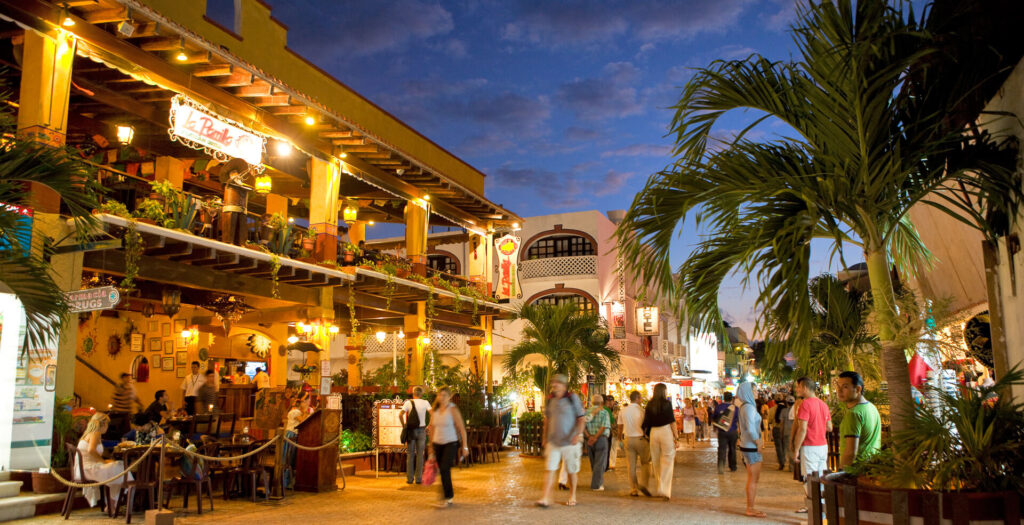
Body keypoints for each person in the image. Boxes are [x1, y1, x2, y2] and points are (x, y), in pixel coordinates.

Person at [537, 374, 585, 508]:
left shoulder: (572, 398)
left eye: (557, 383)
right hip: (554, 441)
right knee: (550, 469)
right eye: (553, 383)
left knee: (571, 470)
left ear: (564, 385)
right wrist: (544, 437)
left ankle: (572, 495)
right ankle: (546, 497)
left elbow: (581, 419)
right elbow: (547, 419)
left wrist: (578, 434)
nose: (554, 385)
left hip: (570, 441)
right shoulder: (550, 399)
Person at [792, 377, 832, 514]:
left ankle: (815, 509)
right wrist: (818, 426)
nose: (796, 389)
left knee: (810, 478)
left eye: (798, 387)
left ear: (804, 387)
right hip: (822, 446)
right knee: (820, 477)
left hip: (810, 446)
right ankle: (820, 507)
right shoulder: (823, 404)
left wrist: (796, 449)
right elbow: (830, 427)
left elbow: (802, 429)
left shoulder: (805, 404)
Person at [75, 413, 131, 508]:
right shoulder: (95, 433)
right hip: (88, 470)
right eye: (107, 424)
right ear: (104, 424)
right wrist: (103, 461)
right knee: (120, 467)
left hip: (82, 470)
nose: (108, 427)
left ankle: (112, 505)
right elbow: (91, 450)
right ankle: (114, 503)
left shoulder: (88, 434)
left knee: (117, 469)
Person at [428, 386, 469, 508]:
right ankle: (447, 496)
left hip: (450, 443)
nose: (442, 397)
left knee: (445, 468)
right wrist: (430, 446)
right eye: (440, 395)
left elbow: (462, 428)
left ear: (449, 397)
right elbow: (432, 429)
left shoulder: (452, 410)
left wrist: (465, 446)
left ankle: (447, 497)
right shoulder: (434, 411)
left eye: (445, 395)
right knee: (442, 470)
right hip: (437, 444)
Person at [836, 371, 881, 468]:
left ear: (858, 389)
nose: (839, 391)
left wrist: (841, 473)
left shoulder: (854, 414)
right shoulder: (872, 407)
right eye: (838, 386)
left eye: (845, 387)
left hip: (855, 471)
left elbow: (850, 452)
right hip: (871, 468)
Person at [642, 383, 677, 501]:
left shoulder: (650, 404)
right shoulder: (667, 404)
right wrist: (676, 437)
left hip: (654, 433)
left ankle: (659, 487)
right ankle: (665, 490)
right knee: (667, 459)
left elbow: (645, 422)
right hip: (665, 431)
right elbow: (672, 421)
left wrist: (645, 434)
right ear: (664, 392)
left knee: (656, 460)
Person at [736, 382, 766, 518]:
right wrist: (758, 441)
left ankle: (751, 507)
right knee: (753, 479)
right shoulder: (748, 407)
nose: (756, 392)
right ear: (748, 392)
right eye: (754, 390)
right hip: (751, 447)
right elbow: (750, 427)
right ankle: (750, 508)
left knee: (753, 478)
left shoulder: (746, 406)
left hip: (748, 446)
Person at [620, 391, 651, 497]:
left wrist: (620, 438)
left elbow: (620, 425)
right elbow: (646, 425)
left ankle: (633, 489)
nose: (641, 400)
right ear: (637, 398)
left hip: (628, 438)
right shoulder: (642, 411)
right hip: (640, 438)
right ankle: (643, 484)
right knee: (645, 463)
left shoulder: (623, 411)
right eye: (640, 398)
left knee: (631, 466)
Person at [401, 386, 431, 484]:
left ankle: (409, 479)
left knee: (410, 454)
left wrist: (404, 426)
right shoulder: (425, 402)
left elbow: (400, 415)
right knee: (420, 455)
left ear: (413, 393)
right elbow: (433, 414)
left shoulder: (408, 403)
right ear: (421, 394)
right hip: (422, 430)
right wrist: (429, 426)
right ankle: (418, 479)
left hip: (411, 431)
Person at [583, 393, 610, 491]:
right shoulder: (604, 412)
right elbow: (603, 426)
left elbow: (583, 426)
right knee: (600, 463)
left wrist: (589, 436)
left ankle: (599, 482)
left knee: (593, 462)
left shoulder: (587, 412)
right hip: (601, 439)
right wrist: (595, 437)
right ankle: (596, 485)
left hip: (589, 440)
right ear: (602, 402)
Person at [109, 373, 143, 437]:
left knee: (125, 429)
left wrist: (140, 404)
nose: (128, 379)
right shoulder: (119, 386)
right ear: (122, 378)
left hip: (126, 412)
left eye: (128, 378)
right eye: (126, 378)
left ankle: (125, 440)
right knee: (120, 429)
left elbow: (134, 397)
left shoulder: (129, 387)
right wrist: (113, 409)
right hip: (119, 412)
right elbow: (114, 398)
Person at [712, 391, 739, 474]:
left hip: (722, 431)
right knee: (732, 449)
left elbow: (714, 418)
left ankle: (721, 467)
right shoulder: (736, 408)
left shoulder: (718, 407)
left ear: (723, 398)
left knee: (722, 449)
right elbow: (738, 420)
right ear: (731, 399)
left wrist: (715, 428)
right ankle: (733, 466)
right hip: (733, 431)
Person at [772, 395, 790, 470]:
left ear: (775, 401)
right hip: (786, 429)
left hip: (776, 428)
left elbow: (769, 419)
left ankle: (781, 462)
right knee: (785, 446)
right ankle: (786, 461)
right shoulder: (787, 409)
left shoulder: (772, 409)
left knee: (778, 447)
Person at [604, 396, 620, 470]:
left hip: (614, 431)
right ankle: (608, 463)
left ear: (613, 401)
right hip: (606, 431)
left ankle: (612, 464)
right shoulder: (605, 409)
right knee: (607, 448)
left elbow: (615, 418)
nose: (610, 402)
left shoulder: (616, 409)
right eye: (608, 401)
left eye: (611, 401)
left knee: (613, 447)